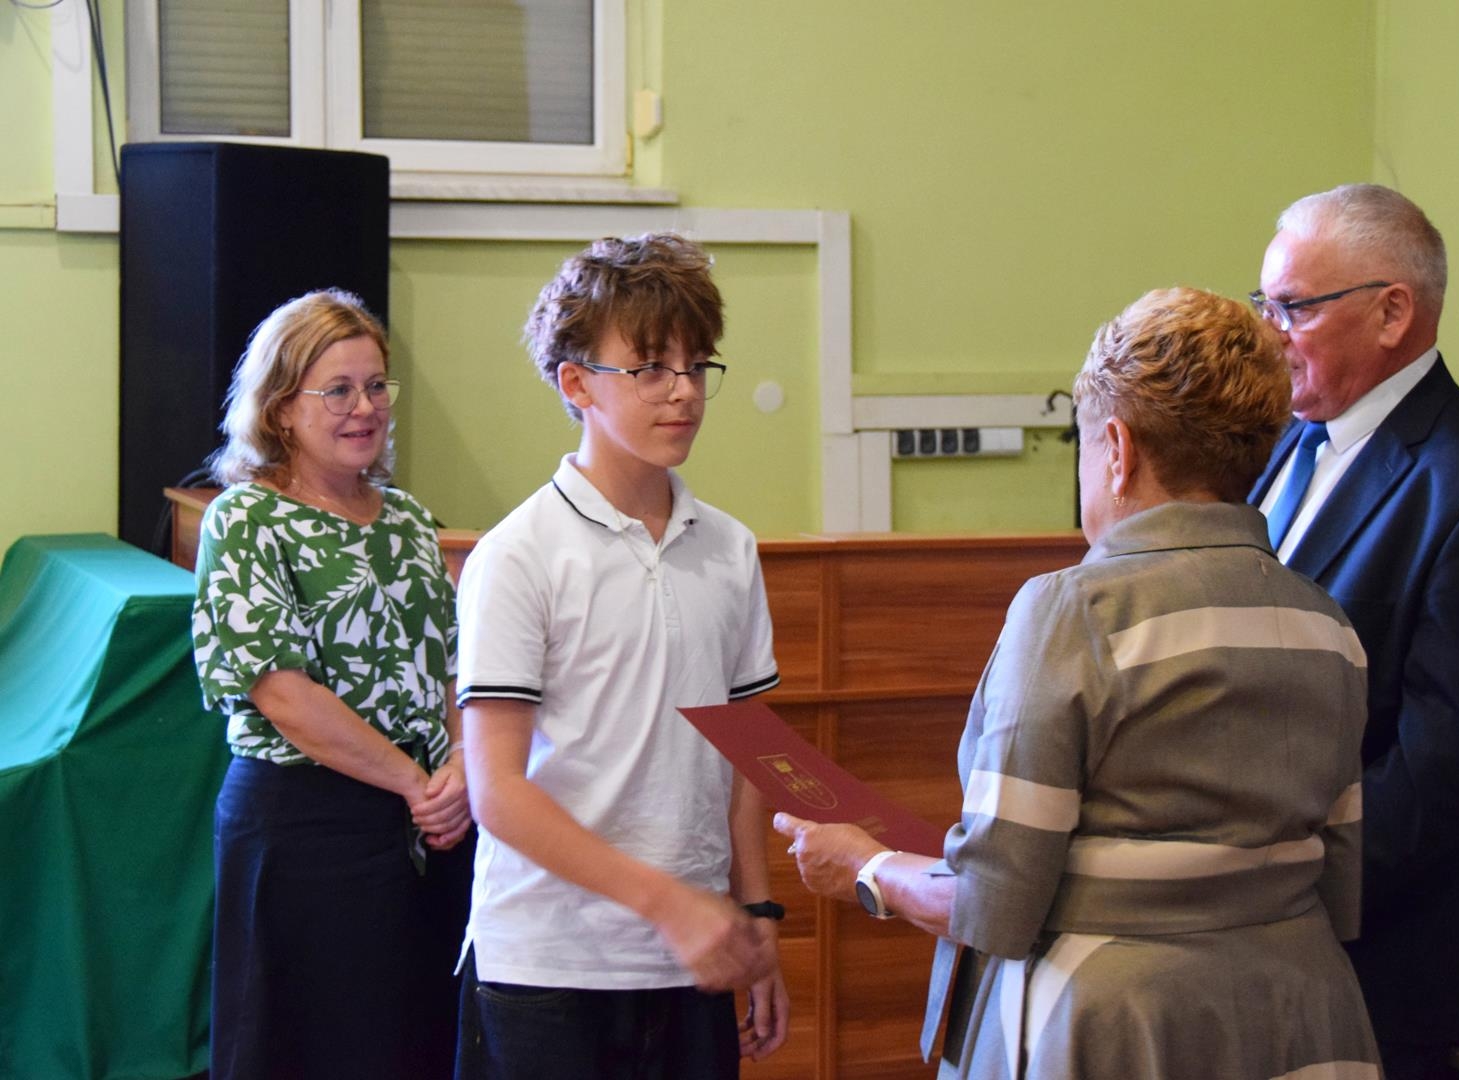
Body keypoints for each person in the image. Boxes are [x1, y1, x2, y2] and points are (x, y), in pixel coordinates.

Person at [778, 287, 1381, 1078]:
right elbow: (1339, 885)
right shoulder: (1325, 624)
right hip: (1304, 1015)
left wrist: (867, 868)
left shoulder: (1073, 612)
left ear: (1117, 449)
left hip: (1116, 1021)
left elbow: (993, 904)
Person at [1248, 183, 1459, 1076]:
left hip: (1387, 962)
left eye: (1294, 307)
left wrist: (1268, 889)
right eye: (1263, 304)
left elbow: (1451, 766)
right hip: (1257, 947)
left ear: (1392, 312)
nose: (1269, 334)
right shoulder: (1280, 445)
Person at [453, 232, 789, 1079]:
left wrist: (755, 914)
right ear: (576, 384)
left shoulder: (730, 548)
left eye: (696, 365)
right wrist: (667, 903)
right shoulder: (518, 555)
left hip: (694, 962)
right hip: (548, 966)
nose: (683, 392)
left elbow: (747, 750)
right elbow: (497, 791)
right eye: (649, 368)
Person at [191, 289, 472, 1079]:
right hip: (302, 827)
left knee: (415, 1046)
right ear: (282, 407)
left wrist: (459, 768)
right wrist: (417, 782)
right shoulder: (246, 520)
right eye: (338, 390)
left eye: (376, 386)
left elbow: (454, 665)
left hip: (429, 827)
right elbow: (281, 692)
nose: (365, 408)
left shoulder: (409, 520)